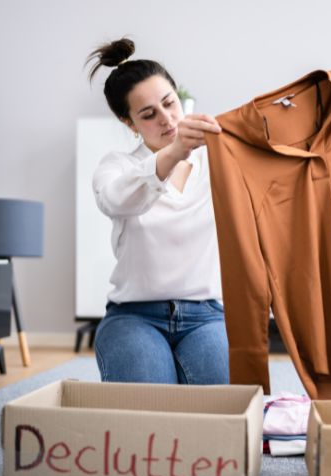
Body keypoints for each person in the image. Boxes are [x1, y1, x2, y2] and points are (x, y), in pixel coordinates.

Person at [86, 38, 227, 385]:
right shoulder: (117, 167)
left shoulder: (216, 163)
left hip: (206, 316)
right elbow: (116, 199)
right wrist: (175, 151)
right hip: (134, 317)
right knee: (145, 413)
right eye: (149, 115)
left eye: (170, 104)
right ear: (129, 123)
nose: (167, 119)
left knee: (226, 409)